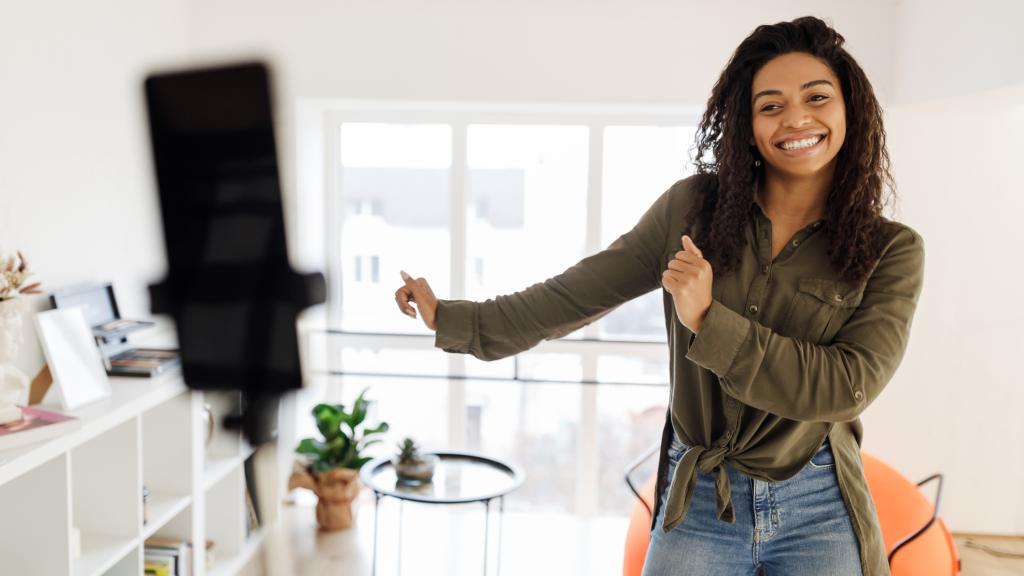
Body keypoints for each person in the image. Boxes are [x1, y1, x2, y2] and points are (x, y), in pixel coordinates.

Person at [393, 15, 923, 576]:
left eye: (817, 97)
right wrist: (452, 319)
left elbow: (845, 385)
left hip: (817, 500)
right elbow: (576, 293)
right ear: (746, 126)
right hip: (700, 496)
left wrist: (708, 320)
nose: (795, 118)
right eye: (770, 105)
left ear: (850, 111)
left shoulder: (891, 251)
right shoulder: (693, 209)